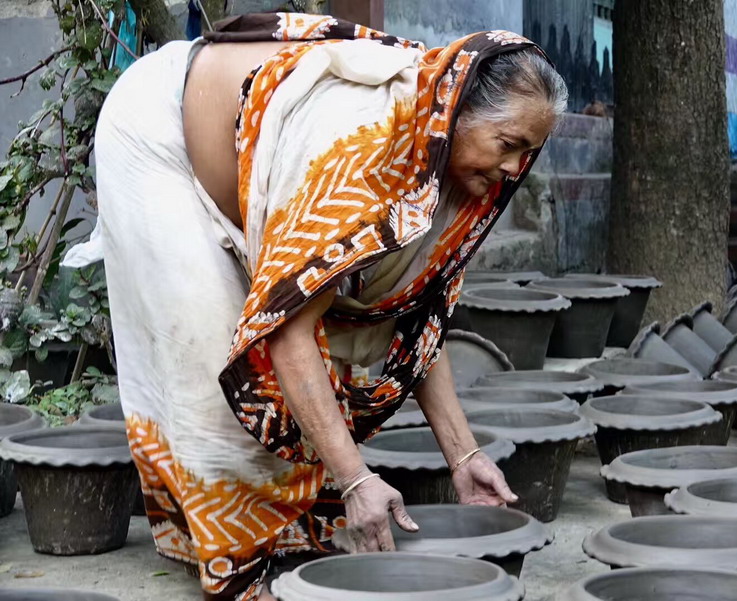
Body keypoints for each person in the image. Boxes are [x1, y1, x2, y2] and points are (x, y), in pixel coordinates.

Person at [77, 11, 567, 601]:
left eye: (528, 152)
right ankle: (233, 566)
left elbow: (412, 315)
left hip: (252, 157)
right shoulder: (358, 144)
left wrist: (464, 456)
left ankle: (292, 544)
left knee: (311, 388)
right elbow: (285, 329)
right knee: (215, 371)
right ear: (459, 109)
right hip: (160, 136)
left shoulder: (436, 155)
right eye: (508, 145)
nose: (514, 169)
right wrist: (356, 478)